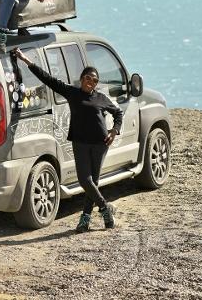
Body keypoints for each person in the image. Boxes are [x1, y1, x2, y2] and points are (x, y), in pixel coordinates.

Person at [13, 47, 123, 232]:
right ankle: (105, 208)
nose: (91, 82)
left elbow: (118, 112)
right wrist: (25, 59)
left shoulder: (101, 98)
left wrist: (114, 130)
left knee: (92, 184)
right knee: (85, 180)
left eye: (94, 80)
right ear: (82, 79)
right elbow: (47, 78)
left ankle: (85, 220)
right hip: (80, 142)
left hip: (100, 144)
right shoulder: (72, 92)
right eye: (88, 78)